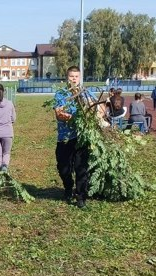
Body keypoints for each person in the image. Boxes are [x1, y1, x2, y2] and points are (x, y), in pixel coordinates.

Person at [54, 66, 97, 208]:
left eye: (76, 76)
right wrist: (71, 117)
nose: (74, 79)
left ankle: (81, 197)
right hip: (65, 137)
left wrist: (94, 114)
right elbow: (59, 114)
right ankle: (68, 187)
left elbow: (98, 109)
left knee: (81, 168)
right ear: (67, 77)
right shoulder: (61, 94)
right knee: (63, 168)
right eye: (71, 76)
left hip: (81, 137)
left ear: (80, 77)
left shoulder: (86, 93)